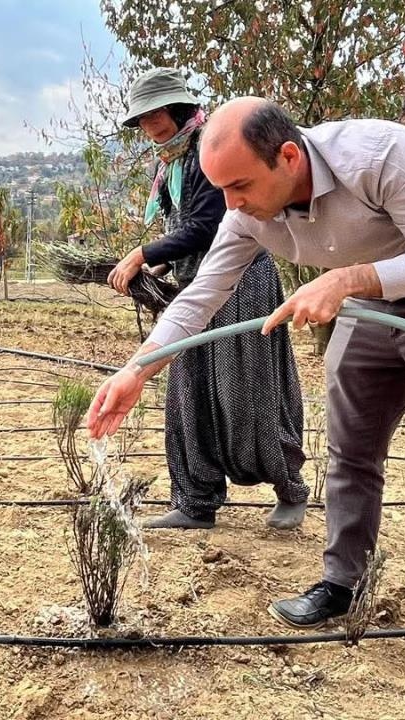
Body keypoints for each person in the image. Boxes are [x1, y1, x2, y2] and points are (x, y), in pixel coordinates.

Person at [87, 97, 405, 716]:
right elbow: (203, 294)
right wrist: (139, 368)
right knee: (349, 450)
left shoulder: (382, 155)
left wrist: (348, 279)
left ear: (289, 156)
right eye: (221, 189)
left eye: (240, 185)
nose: (232, 203)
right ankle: (340, 583)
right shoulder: (243, 211)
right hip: (373, 301)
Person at [109, 67, 307, 530]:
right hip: (195, 286)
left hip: (242, 286)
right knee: (187, 395)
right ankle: (195, 501)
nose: (150, 124)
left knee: (251, 392)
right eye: (142, 118)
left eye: (156, 113)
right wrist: (160, 264)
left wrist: (144, 253)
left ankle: (290, 489)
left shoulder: (211, 152)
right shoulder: (171, 161)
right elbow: (186, 228)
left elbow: (206, 227)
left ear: (176, 109)